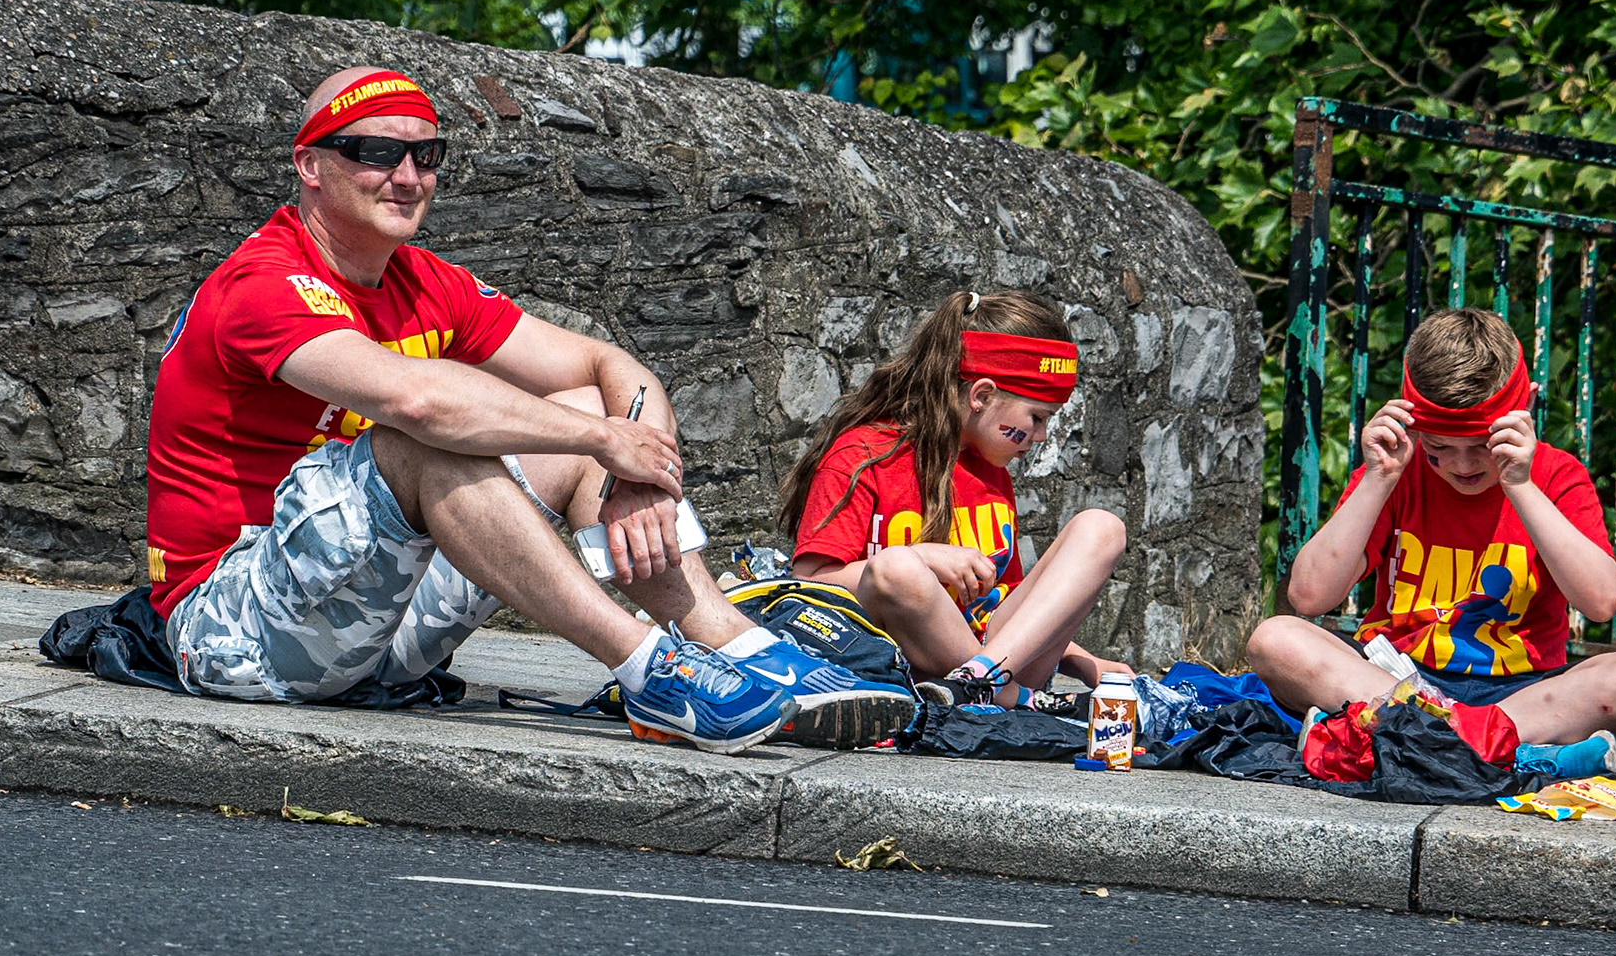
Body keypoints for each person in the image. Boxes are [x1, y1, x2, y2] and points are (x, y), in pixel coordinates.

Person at [145, 66, 913, 754]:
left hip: (374, 634)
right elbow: (416, 399)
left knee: (578, 408)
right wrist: (605, 439)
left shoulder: (423, 281)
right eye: (376, 152)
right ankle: (654, 672)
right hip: (232, 629)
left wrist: (633, 465)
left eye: (427, 155)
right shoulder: (265, 284)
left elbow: (610, 365)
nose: (407, 175)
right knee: (428, 439)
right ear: (310, 166)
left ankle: (732, 644)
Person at [1245, 307, 1616, 777]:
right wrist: (1377, 478)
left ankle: (1412, 736)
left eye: (1481, 447)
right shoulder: (1396, 474)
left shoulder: (1554, 475)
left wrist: (1521, 487)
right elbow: (1309, 597)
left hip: (1520, 693)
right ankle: (1501, 748)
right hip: (1394, 680)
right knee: (1275, 638)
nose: (1463, 466)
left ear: (1524, 410)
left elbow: (1601, 603)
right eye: (1440, 449)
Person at [777, 290, 1131, 708]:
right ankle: (1008, 696)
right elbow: (806, 588)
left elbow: (1011, 607)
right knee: (899, 569)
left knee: (1102, 528)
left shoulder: (991, 473)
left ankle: (988, 684)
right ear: (980, 395)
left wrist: (1082, 661)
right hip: (903, 665)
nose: (1039, 437)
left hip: (990, 664)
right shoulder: (861, 455)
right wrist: (922, 557)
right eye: (1036, 418)